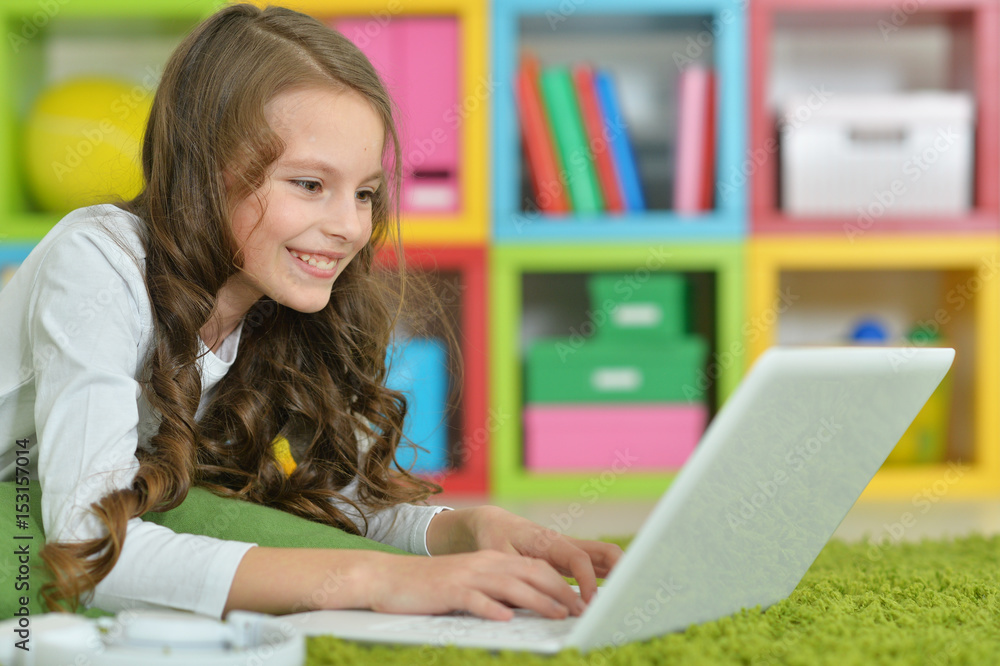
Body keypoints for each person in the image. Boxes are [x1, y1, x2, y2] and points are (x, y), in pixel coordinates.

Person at [0, 4, 621, 621]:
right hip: (20, 506)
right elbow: (89, 546)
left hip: (66, 500)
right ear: (204, 173)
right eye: (309, 185)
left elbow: (328, 502)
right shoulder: (98, 261)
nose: (351, 227)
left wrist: (466, 530)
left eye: (365, 193)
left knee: (225, 516)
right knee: (191, 516)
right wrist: (379, 578)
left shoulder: (274, 300)